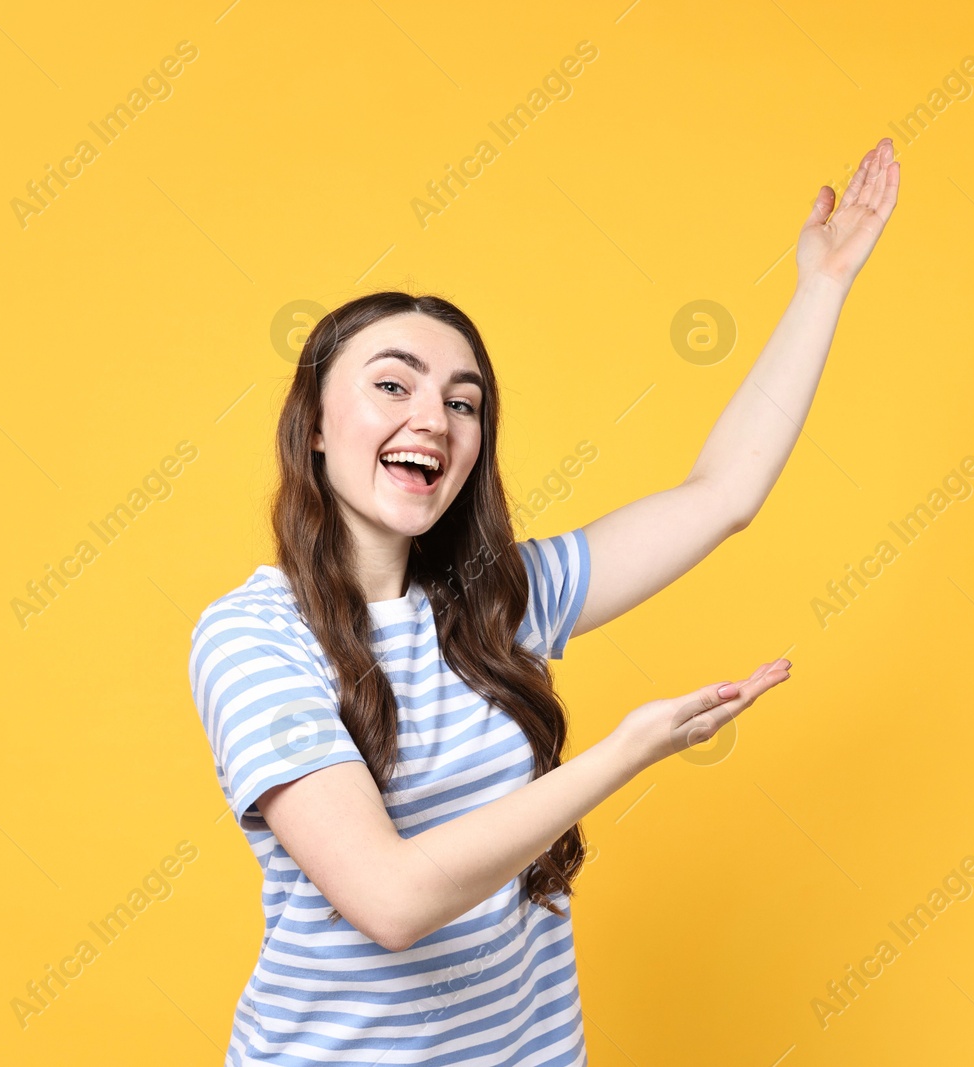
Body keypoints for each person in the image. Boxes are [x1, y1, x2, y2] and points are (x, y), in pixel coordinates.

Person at [189, 137, 901, 1065]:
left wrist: (823, 286)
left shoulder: (499, 601)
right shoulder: (253, 637)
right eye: (392, 384)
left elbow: (723, 494)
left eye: (464, 401)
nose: (432, 420)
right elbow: (392, 900)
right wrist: (630, 752)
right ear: (316, 426)